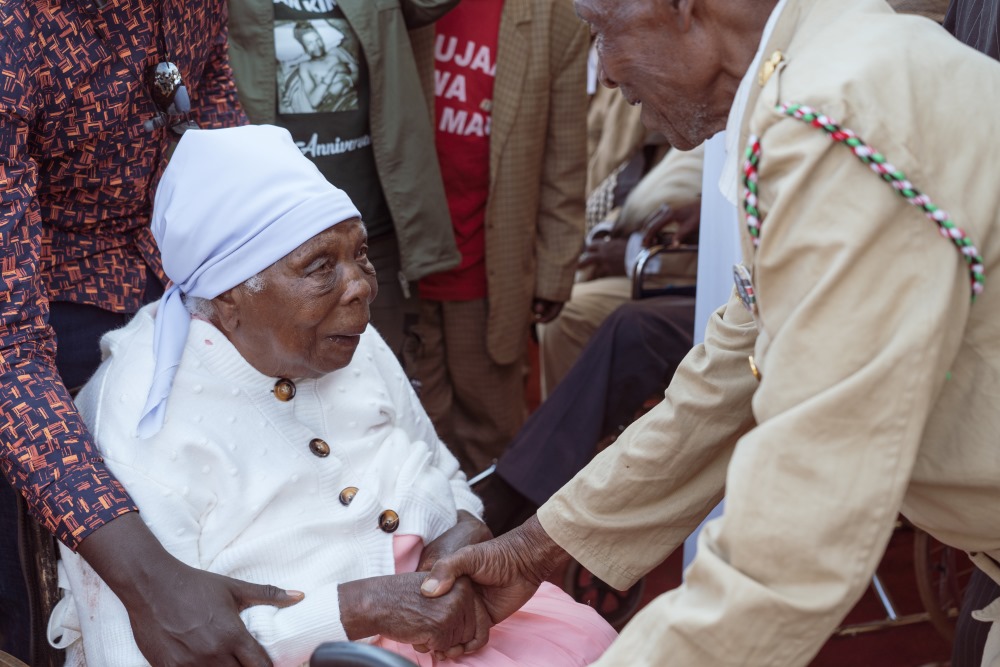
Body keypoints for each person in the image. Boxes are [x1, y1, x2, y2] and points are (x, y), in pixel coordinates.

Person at [417, 1, 1000, 665]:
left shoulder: (834, 113)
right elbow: (732, 368)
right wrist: (535, 550)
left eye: (603, 34)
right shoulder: (810, 77)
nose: (603, 73)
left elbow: (799, 528)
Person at [47, 125, 617, 667]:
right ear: (227, 297)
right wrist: (358, 608)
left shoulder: (348, 341)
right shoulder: (138, 413)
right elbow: (143, 648)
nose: (363, 286)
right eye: (320, 267)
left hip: (447, 619)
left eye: (360, 254)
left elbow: (438, 464)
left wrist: (460, 527)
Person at [0, 2, 296, 664]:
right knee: (50, 595)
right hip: (43, 313)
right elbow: (7, 352)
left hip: (173, 282)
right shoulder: (15, 28)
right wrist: (152, 584)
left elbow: (221, 156)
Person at [406, 0, 589, 474]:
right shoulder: (404, 9)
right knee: (410, 437)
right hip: (401, 267)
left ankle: (494, 545)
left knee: (490, 433)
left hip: (488, 269)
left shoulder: (555, 18)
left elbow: (564, 156)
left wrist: (555, 266)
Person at [228, 0, 462, 356]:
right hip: (266, 236)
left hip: (370, 235)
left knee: (379, 381)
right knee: (276, 381)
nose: (314, 47)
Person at [538, 144, 703, 397]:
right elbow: (625, 196)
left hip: (684, 285)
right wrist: (605, 236)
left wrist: (631, 254)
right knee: (555, 295)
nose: (634, 103)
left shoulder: (710, 137)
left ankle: (575, 429)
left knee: (567, 314)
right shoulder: (663, 142)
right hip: (648, 272)